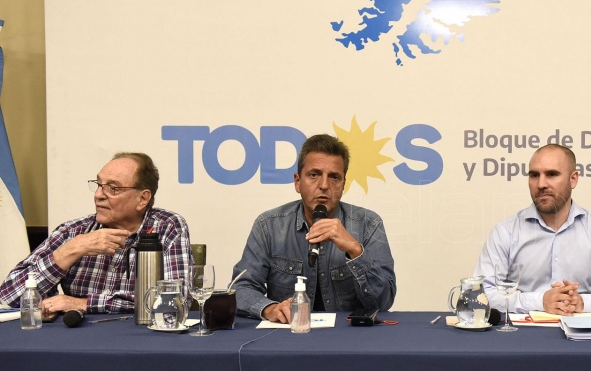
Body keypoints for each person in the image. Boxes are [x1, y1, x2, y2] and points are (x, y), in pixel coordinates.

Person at [0, 152, 192, 316]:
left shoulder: (167, 227)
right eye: (99, 184)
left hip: (144, 338)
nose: (98, 195)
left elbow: (176, 301)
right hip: (76, 338)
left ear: (143, 198)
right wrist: (72, 250)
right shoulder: (73, 231)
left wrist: (84, 303)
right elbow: (9, 297)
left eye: (113, 188)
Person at [233, 134, 396, 322]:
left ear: (343, 185)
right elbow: (241, 288)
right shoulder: (269, 225)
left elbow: (383, 302)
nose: (324, 185)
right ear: (297, 182)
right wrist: (270, 309)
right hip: (288, 333)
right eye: (314, 175)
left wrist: (355, 250)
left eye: (334, 177)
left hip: (349, 335)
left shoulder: (368, 224)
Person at [474, 144, 591, 315]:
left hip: (582, 329)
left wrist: (583, 302)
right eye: (534, 175)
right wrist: (540, 301)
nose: (541, 184)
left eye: (551, 174)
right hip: (523, 330)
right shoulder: (505, 232)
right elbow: (480, 294)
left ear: (573, 179)